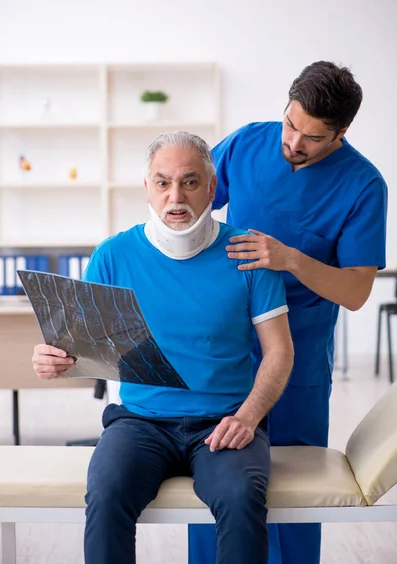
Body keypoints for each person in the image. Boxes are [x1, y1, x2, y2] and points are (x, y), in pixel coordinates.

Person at [32, 131, 294, 564]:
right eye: (163, 182)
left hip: (225, 422)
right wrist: (53, 359)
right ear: (148, 190)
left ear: (212, 188)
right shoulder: (113, 255)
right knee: (107, 491)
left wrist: (248, 417)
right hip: (139, 423)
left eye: (190, 182)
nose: (176, 196)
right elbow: (75, 348)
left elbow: (280, 351)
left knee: (241, 495)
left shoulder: (248, 254)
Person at [188, 61, 388, 564]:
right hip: (225, 352)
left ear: (341, 133)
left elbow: (357, 291)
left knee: (294, 493)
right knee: (214, 480)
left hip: (296, 361)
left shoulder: (364, 186)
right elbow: (191, 205)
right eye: (291, 123)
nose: (295, 142)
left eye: (313, 137)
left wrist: (292, 260)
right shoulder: (249, 144)